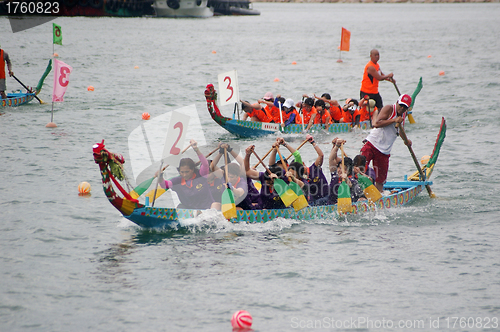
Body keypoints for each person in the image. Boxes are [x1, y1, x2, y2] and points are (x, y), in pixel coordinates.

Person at [360, 94, 412, 193]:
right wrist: (394, 120)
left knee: (380, 180)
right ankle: (359, 195)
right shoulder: (389, 108)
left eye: (405, 107)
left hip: (384, 150)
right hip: (371, 143)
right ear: (397, 102)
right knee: (360, 170)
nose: (402, 108)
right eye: (400, 105)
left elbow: (400, 130)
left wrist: (406, 141)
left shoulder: (404, 114)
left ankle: (379, 198)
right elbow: (376, 124)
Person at [158, 139, 218, 210]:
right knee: (180, 207)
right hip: (189, 210)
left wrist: (196, 149)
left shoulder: (201, 175)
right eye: (182, 172)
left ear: (192, 170)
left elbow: (205, 164)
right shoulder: (177, 181)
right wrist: (160, 178)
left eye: (187, 172)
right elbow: (164, 185)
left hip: (206, 209)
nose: (184, 175)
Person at [244, 145, 287, 210]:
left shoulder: (285, 179)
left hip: (280, 211)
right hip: (262, 209)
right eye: (268, 183)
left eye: (272, 183)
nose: (269, 185)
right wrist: (248, 155)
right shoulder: (263, 176)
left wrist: (278, 182)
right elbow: (247, 171)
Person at [328, 138, 365, 204]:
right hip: (331, 204)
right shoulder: (335, 176)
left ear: (349, 171)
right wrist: (336, 146)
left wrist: (346, 179)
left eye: (344, 169)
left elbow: (350, 184)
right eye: (339, 168)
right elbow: (331, 159)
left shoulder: (353, 180)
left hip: (346, 206)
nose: (340, 170)